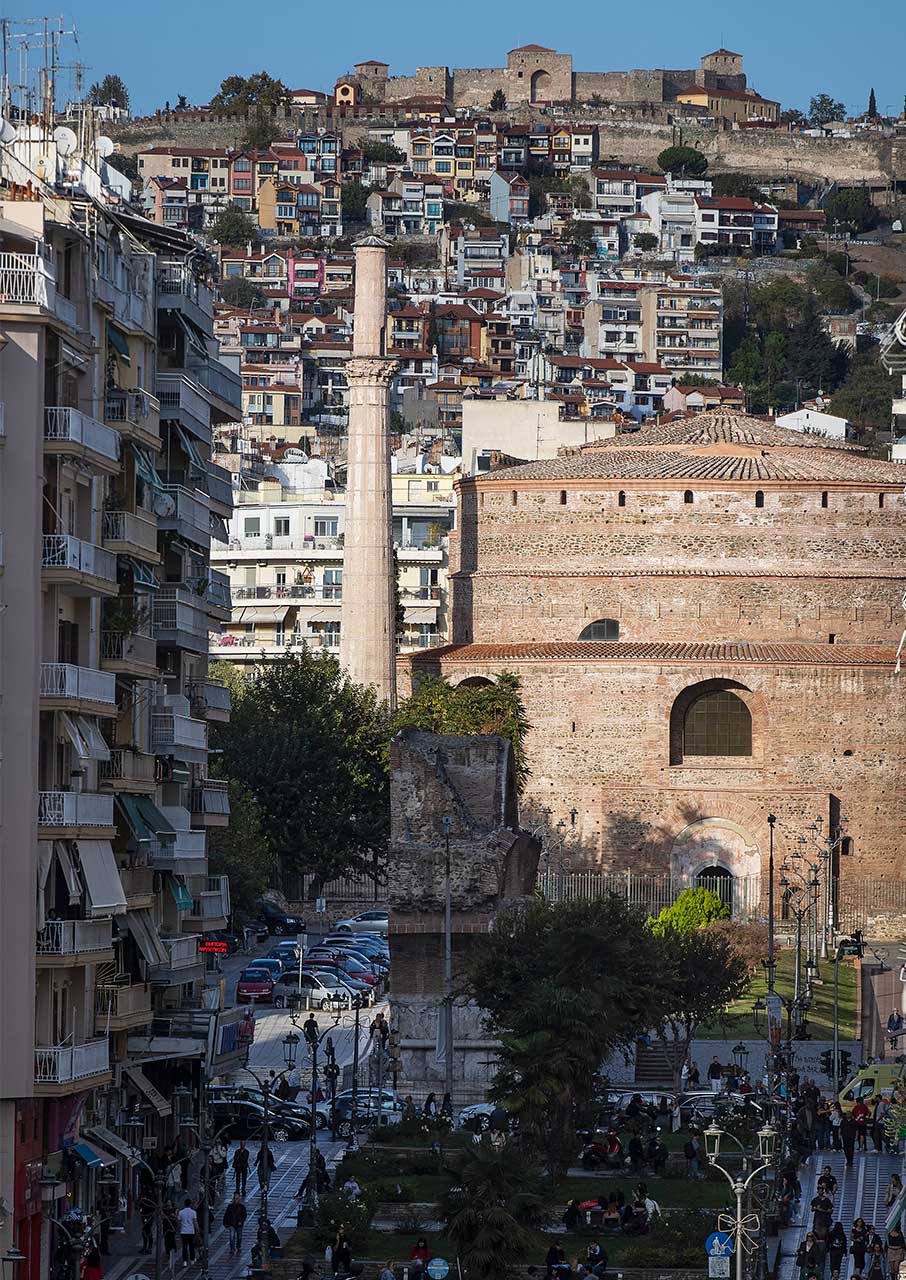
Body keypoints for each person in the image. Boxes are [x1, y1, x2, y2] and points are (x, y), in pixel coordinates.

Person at [178, 1198, 198, 1267]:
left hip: (183, 1231)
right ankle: (192, 1260)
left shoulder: (181, 1212)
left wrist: (179, 1230)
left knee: (184, 1247)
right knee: (191, 1246)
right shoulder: (193, 1212)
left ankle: (185, 1261)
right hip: (191, 1231)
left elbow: (179, 1223)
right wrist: (197, 1229)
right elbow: (195, 1222)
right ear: (190, 1204)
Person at [138, 1188, 156, 1254]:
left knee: (148, 1231)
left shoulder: (151, 1197)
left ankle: (149, 1247)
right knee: (144, 1231)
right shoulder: (143, 1196)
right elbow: (140, 1204)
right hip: (144, 1216)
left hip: (149, 1217)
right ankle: (145, 1247)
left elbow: (153, 1207)